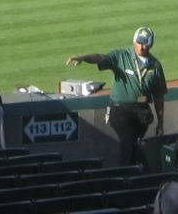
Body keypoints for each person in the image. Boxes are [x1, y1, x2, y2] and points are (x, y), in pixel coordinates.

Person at [67, 27, 167, 166]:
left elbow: (159, 97)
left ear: (150, 44)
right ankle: (125, 175)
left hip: (141, 111)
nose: (141, 46)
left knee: (135, 145)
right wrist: (83, 57)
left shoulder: (155, 66)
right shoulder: (121, 56)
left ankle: (136, 173)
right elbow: (101, 57)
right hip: (120, 110)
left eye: (145, 43)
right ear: (133, 42)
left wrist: (160, 123)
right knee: (127, 143)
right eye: (139, 42)